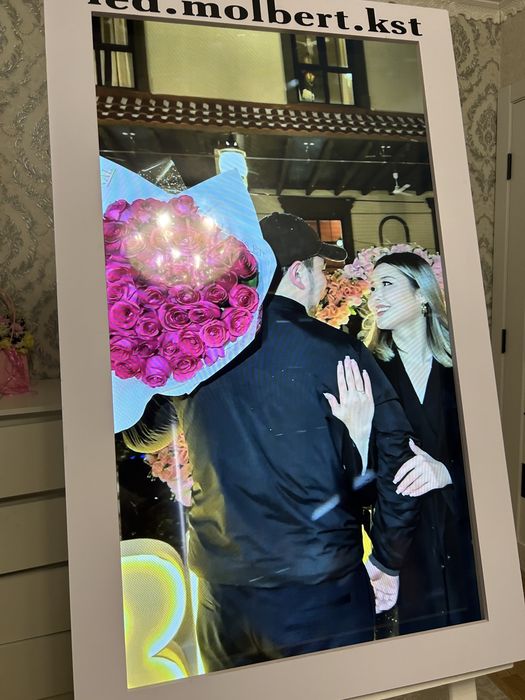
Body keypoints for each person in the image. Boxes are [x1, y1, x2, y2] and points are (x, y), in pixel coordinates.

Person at [124, 214, 419, 672]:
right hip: (320, 593)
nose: (324, 280)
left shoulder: (200, 352)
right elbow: (401, 461)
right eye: (320, 268)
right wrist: (387, 558)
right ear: (297, 273)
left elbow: (140, 436)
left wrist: (154, 362)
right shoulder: (338, 352)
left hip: (222, 598)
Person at [360, 251, 481, 634]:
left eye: (387, 284)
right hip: (403, 546)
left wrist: (447, 472)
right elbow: (359, 478)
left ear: (422, 295)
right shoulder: (368, 371)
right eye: (372, 288)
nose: (375, 296)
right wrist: (356, 432)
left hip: (465, 536)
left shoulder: (464, 368)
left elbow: (493, 459)